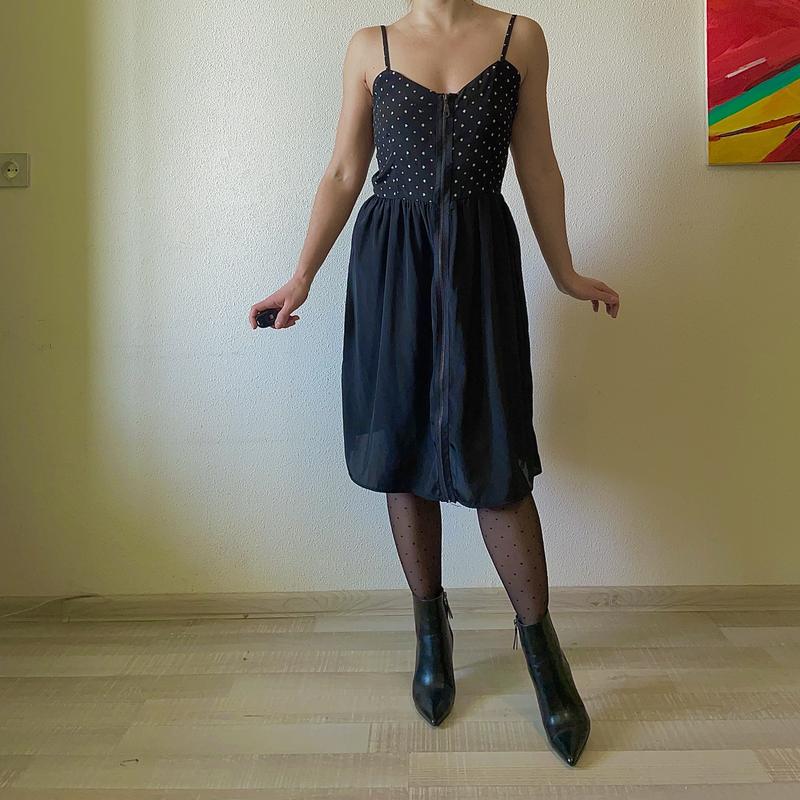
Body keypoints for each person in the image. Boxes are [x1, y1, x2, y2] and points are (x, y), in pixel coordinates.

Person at [249, 1, 619, 767]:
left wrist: (564, 270)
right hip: (392, 264)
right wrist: (302, 276)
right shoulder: (370, 46)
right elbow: (345, 170)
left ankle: (542, 652)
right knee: (403, 445)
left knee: (495, 459)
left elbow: (538, 165)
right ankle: (430, 629)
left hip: (481, 262)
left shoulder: (520, 37)